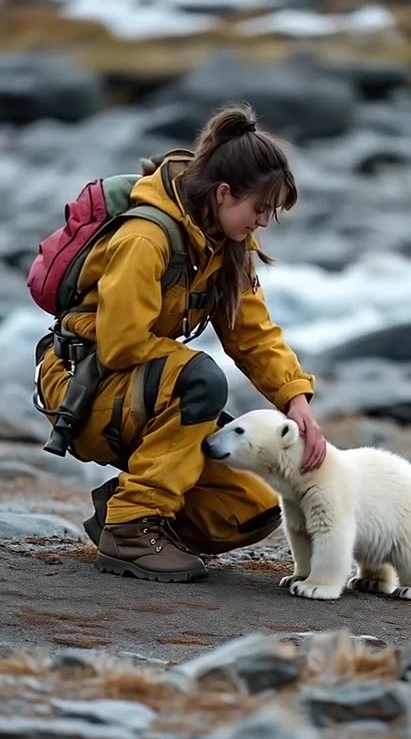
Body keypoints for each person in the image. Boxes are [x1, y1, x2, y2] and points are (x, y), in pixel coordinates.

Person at [35, 101, 326, 583]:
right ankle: (131, 529)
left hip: (138, 391)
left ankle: (122, 509)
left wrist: (296, 400)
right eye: (258, 209)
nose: (262, 222)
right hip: (83, 389)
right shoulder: (146, 238)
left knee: (247, 507)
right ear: (224, 193)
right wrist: (193, 380)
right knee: (201, 380)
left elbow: (251, 333)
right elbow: (121, 345)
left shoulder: (225, 246)